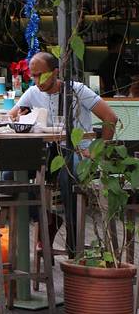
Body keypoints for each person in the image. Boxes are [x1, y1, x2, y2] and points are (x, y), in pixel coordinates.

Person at [9, 51, 118, 252]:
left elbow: (110, 117)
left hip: (78, 151)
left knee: (68, 175)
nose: (37, 81)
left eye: (41, 75)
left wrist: (98, 152)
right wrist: (18, 117)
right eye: (33, 76)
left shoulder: (77, 90)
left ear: (55, 72)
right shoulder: (32, 93)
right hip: (48, 152)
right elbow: (11, 116)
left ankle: (73, 241)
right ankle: (46, 218)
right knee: (10, 173)